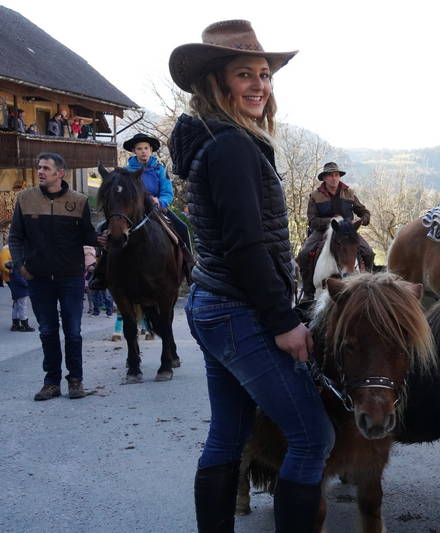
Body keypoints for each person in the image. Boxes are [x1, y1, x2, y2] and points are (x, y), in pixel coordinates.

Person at [168, 20, 333, 533]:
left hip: (214, 303)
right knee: (313, 437)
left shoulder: (218, 139)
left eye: (264, 74)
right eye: (245, 74)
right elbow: (246, 245)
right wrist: (283, 320)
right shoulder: (232, 146)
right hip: (238, 309)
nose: (260, 84)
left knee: (229, 434)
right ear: (216, 81)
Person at [8, 152, 98, 401]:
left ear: (60, 173)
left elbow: (88, 236)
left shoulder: (79, 201)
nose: (40, 171)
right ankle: (51, 382)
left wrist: (107, 236)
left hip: (70, 278)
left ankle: (76, 380)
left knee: (73, 332)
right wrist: (20, 266)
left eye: (46, 168)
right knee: (47, 331)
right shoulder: (25, 199)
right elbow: (15, 237)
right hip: (38, 279)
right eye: (39, 167)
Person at [89, 132, 193, 290]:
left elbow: (168, 193)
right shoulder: (125, 171)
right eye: (139, 148)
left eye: (146, 148)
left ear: (151, 150)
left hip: (156, 209)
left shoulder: (160, 169)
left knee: (182, 228)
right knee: (102, 228)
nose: (143, 151)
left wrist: (160, 201)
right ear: (134, 151)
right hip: (131, 212)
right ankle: (101, 271)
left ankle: (190, 266)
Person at [295, 161, 373, 300]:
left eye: (336, 175)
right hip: (322, 231)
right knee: (304, 254)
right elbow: (312, 221)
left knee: (368, 252)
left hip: (347, 232)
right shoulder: (315, 196)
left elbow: (364, 212)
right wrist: (332, 221)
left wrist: (362, 220)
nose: (334, 178)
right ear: (324, 178)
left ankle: (368, 286)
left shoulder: (349, 193)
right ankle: (308, 292)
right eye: (330, 175)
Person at [1, 245, 35, 331]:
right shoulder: (17, 265)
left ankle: (15, 324)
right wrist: (27, 283)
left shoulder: (13, 265)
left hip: (16, 288)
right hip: (21, 289)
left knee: (16, 305)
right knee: (22, 306)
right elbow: (19, 278)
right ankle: (25, 324)